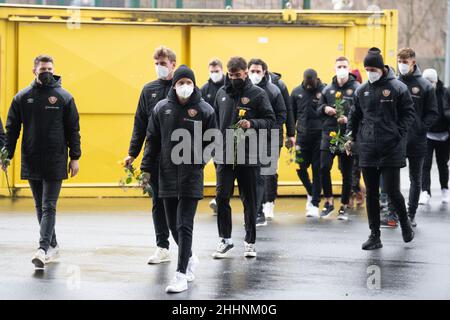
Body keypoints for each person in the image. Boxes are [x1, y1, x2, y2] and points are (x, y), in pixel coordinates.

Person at [141, 65, 217, 294]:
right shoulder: (161, 108)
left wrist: (198, 162)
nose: (185, 87)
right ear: (174, 86)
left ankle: (181, 274)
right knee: (173, 225)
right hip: (165, 174)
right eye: (181, 83)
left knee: (184, 224)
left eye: (189, 83)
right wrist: (146, 169)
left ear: (194, 85)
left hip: (191, 176)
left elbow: (213, 141)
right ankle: (190, 257)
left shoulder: (205, 110)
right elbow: (152, 139)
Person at [4, 55, 81, 269]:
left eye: (49, 68)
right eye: (42, 68)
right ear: (34, 71)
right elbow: (12, 130)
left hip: (56, 159)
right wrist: (6, 155)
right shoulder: (22, 97)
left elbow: (73, 130)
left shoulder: (64, 97)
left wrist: (75, 157)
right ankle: (53, 245)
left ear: (54, 70)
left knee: (48, 205)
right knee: (39, 205)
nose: (46, 72)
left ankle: (42, 248)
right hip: (31, 158)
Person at [346, 47, 416, 250]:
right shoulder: (362, 90)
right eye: (366, 68)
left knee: (393, 191)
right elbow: (354, 116)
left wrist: (397, 133)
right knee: (371, 195)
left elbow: (408, 114)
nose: (370, 72)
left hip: (391, 149)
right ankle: (374, 235)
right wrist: (350, 137)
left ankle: (405, 224)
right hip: (367, 149)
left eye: (372, 68)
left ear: (381, 68)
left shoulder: (398, 88)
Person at [212, 56, 275, 259]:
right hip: (224, 156)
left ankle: (250, 242)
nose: (234, 78)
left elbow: (270, 120)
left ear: (245, 73)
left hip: (249, 156)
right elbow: (214, 121)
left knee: (249, 200)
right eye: (230, 75)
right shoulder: (221, 93)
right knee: (222, 198)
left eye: (237, 75)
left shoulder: (258, 94)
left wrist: (252, 123)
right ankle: (225, 240)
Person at [124, 46, 176, 265]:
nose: (159, 67)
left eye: (163, 64)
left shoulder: (184, 87)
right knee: (157, 200)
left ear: (173, 64)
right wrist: (132, 153)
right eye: (156, 64)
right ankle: (162, 246)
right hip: (153, 156)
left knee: (176, 201)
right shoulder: (148, 90)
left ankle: (184, 246)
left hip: (178, 156)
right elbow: (140, 124)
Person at [396, 48, 439, 227]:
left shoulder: (425, 86)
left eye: (405, 62)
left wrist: (421, 127)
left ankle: (410, 214)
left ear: (413, 62)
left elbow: (432, 113)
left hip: (417, 140)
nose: (401, 66)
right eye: (399, 62)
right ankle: (393, 211)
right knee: (392, 178)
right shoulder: (393, 83)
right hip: (396, 139)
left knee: (416, 178)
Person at [317, 56, 359, 220]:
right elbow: (318, 108)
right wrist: (325, 108)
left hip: (347, 136)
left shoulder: (356, 88)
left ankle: (344, 205)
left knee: (347, 172)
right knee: (323, 168)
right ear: (334, 68)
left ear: (349, 68)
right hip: (329, 135)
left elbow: (362, 112)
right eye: (339, 66)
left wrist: (349, 120)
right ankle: (328, 202)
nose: (341, 69)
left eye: (344, 66)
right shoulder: (328, 89)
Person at [248, 58, 287, 226]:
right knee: (253, 174)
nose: (255, 74)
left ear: (264, 72)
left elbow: (282, 114)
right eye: (252, 71)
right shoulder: (245, 91)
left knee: (267, 173)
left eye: (258, 71)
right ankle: (256, 209)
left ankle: (265, 205)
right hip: (250, 138)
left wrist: (275, 131)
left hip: (270, 137)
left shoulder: (273, 90)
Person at [290, 69, 325, 218]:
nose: (309, 86)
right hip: (302, 137)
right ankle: (311, 192)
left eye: (312, 83)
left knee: (317, 169)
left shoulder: (324, 90)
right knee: (300, 167)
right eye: (307, 82)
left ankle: (315, 203)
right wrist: (290, 134)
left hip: (319, 136)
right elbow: (291, 114)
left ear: (316, 79)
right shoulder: (296, 92)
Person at [419, 68, 450, 205]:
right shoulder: (421, 93)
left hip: (444, 135)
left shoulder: (445, 93)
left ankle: (445, 189)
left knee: (443, 164)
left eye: (431, 82)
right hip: (427, 135)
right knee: (425, 164)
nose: (428, 84)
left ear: (436, 81)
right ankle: (425, 192)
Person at [200, 58, 225, 215]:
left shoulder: (227, 87)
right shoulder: (205, 89)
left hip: (227, 133)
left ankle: (221, 198)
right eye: (212, 71)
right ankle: (219, 198)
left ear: (222, 70)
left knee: (225, 169)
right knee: (219, 168)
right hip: (212, 135)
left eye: (217, 71)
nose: (214, 74)